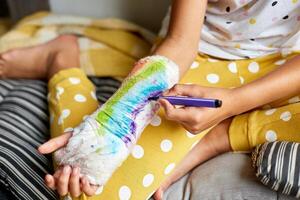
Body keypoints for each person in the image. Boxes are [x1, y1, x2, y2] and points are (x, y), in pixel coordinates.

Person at [1, 0, 300, 199]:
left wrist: (234, 103)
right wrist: (105, 134)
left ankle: (222, 135)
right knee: (90, 191)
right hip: (202, 53)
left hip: (285, 66)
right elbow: (181, 41)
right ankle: (62, 59)